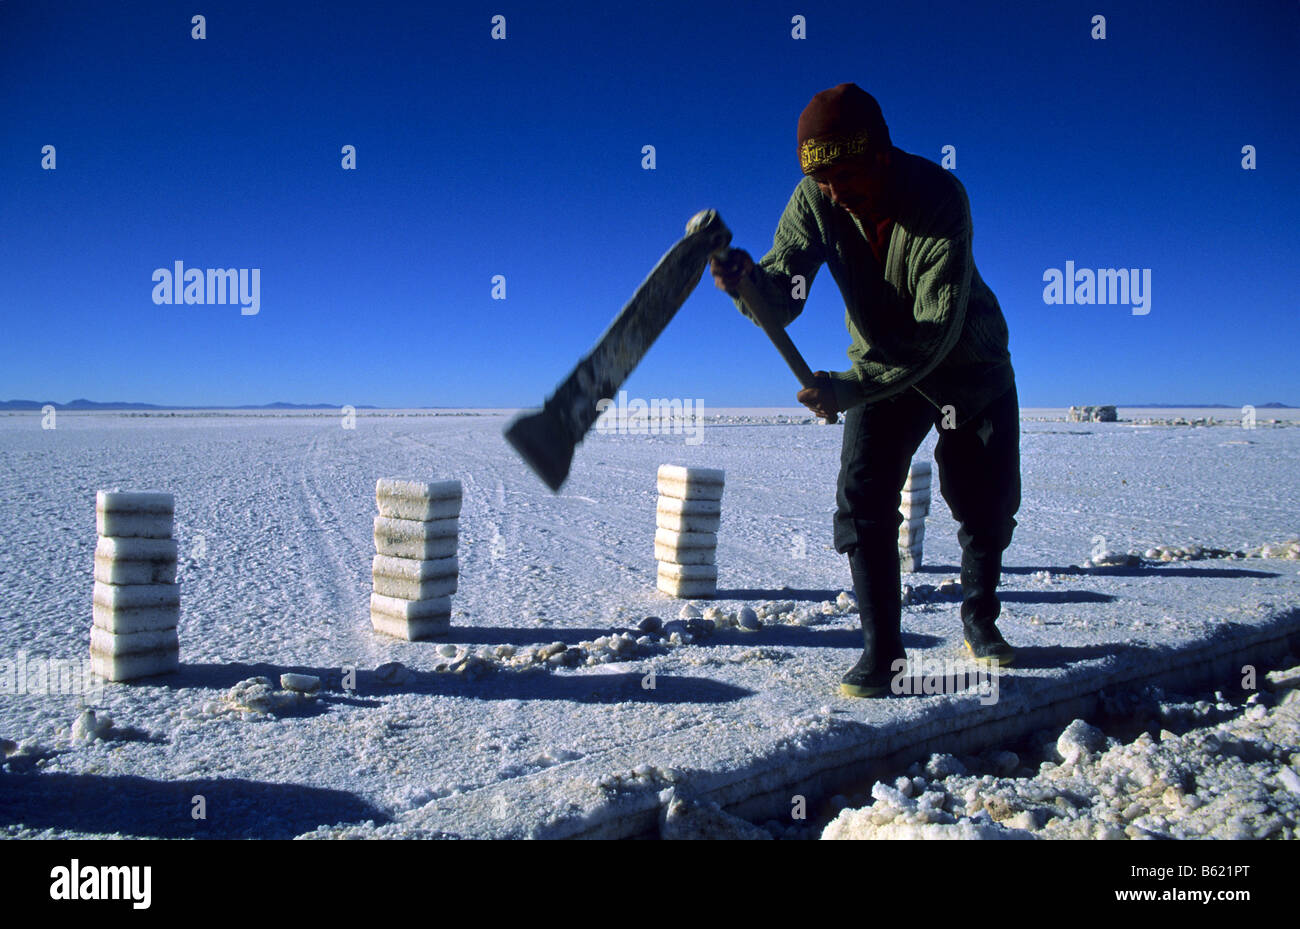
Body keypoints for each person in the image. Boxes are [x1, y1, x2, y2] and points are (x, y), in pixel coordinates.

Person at [710, 83, 1021, 697]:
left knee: (983, 499)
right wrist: (752, 286)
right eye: (820, 178)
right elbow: (788, 292)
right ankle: (885, 657)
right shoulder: (817, 198)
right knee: (864, 500)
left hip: (966, 364)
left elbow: (935, 332)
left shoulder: (939, 198)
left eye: (843, 174)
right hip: (882, 367)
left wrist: (849, 388)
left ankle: (980, 621)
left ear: (880, 152)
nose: (831, 191)